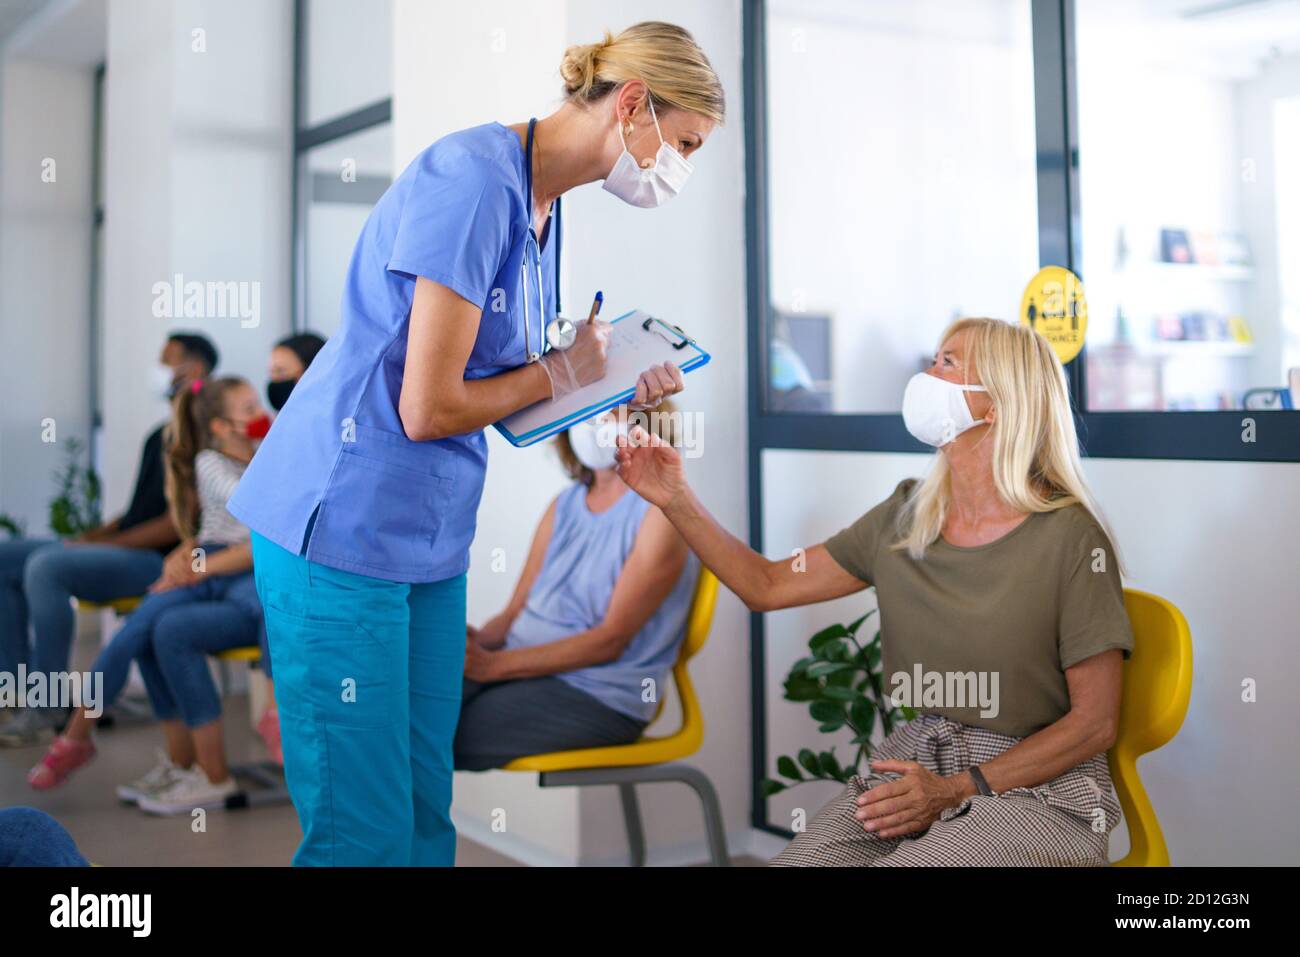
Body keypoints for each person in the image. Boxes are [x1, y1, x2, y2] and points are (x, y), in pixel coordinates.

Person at [226, 21, 724, 866]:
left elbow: (503, 400)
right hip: (340, 524)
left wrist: (604, 385)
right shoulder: (473, 180)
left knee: (425, 814)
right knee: (364, 831)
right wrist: (565, 371)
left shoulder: (543, 206)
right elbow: (427, 405)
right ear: (632, 104)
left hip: (427, 542)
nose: (678, 169)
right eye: (682, 143)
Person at [616, 317, 1136, 867]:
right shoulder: (906, 517)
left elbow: (1094, 723)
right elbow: (764, 585)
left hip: (1040, 792)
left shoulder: (1071, 537)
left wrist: (961, 787)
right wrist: (674, 498)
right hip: (921, 757)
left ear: (997, 405)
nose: (927, 372)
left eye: (948, 363)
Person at [27, 376, 270, 815]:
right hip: (212, 560)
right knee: (137, 626)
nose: (260, 417)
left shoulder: (259, 458)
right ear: (219, 425)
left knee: (168, 628)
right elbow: (252, 504)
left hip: (239, 573)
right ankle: (79, 733)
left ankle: (203, 764)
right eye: (249, 409)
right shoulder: (211, 462)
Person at [0, 332, 217, 747]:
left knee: (46, 567)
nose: (158, 369)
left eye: (166, 361)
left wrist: (103, 547)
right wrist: (89, 537)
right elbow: (137, 513)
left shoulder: (200, 433)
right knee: (7, 556)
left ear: (195, 370)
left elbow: (178, 525)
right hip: (126, 549)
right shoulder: (160, 434)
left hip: (162, 562)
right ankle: (15, 691)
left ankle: (48, 706)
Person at [455, 404, 696, 769]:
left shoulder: (661, 514)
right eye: (584, 409)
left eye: (612, 408)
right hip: (517, 665)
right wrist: (472, 647)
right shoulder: (564, 505)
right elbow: (512, 615)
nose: (595, 420)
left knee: (440, 733)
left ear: (647, 419)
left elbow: (610, 641)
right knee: (405, 710)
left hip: (598, 692)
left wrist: (492, 667)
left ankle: (404, 826)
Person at [253, 330, 327, 766]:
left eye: (284, 373)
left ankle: (278, 713)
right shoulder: (275, 429)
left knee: (273, 600)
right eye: (271, 374)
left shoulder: (323, 428)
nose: (275, 382)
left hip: (291, 565)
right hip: (257, 557)